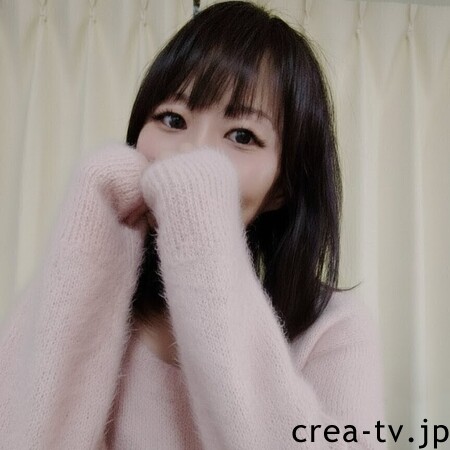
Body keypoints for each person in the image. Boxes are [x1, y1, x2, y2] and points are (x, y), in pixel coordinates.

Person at [0, 1, 386, 448]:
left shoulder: (333, 329)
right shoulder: (88, 297)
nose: (192, 154)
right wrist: (86, 247)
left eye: (242, 135)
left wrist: (205, 250)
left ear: (281, 188)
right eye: (173, 119)